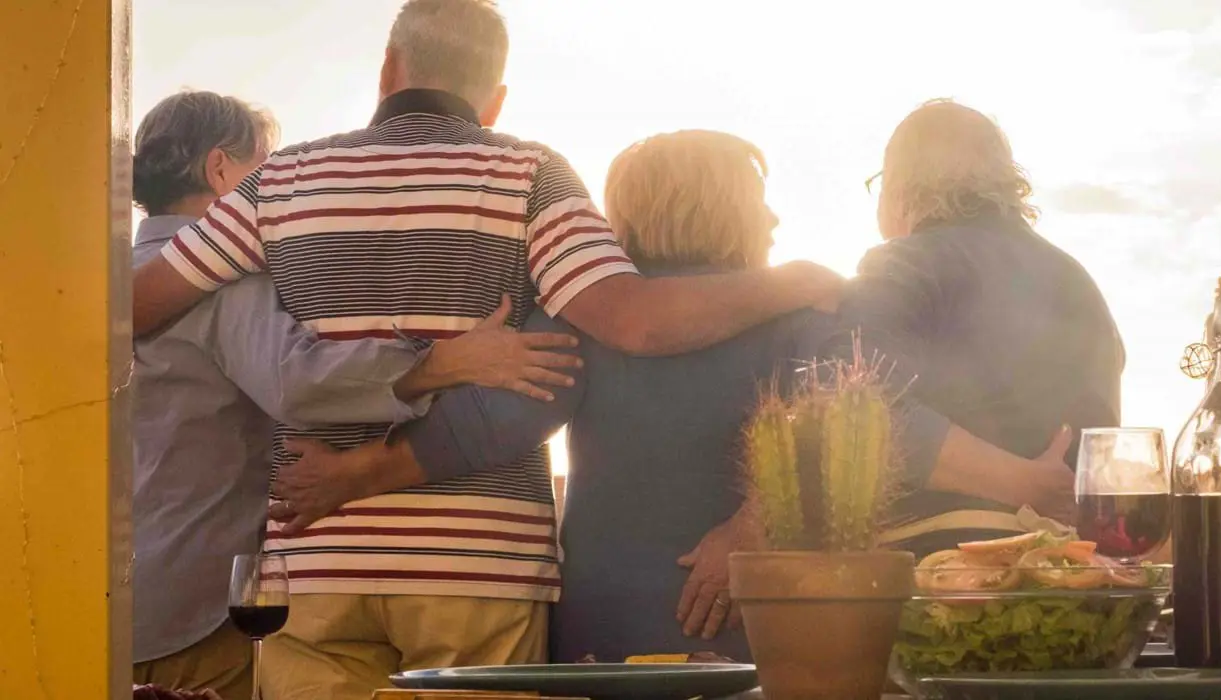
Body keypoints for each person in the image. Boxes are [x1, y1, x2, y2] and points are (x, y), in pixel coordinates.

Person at [123, 2, 837, 697]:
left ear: (387, 69)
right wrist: (795, 282)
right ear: (494, 100)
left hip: (315, 563)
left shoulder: (277, 181)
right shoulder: (532, 176)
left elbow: (134, 308)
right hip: (479, 570)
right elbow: (634, 323)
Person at [267, 129, 1077, 663]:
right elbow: (865, 425)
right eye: (757, 197)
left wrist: (359, 473)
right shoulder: (803, 315)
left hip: (603, 616)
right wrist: (1028, 482)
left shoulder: (586, 317)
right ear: (720, 204)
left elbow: (492, 423)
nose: (773, 215)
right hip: (748, 619)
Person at [128, 90, 577, 700]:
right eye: (262, 165)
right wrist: (435, 364)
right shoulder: (220, 286)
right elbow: (300, 382)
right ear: (220, 171)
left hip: (119, 603)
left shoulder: (95, 285)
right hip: (209, 610)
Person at [839, 98, 1125, 553]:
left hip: (941, 574)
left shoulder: (903, 265)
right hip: (1075, 574)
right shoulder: (1078, 281)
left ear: (900, 187)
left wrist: (1019, 484)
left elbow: (866, 409)